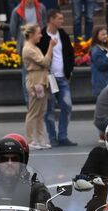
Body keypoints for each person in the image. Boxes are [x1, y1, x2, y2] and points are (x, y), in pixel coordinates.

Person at [37, 9, 78, 147]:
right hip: (50, 78)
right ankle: (52, 137)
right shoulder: (42, 35)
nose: (62, 21)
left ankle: (63, 136)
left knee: (67, 105)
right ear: (51, 20)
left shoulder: (63, 35)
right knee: (49, 109)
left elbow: (70, 54)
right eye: (59, 18)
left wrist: (69, 72)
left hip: (62, 78)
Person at [22, 23, 56, 150]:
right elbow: (45, 62)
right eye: (38, 33)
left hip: (41, 80)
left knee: (41, 112)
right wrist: (51, 47)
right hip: (35, 81)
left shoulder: (34, 47)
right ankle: (30, 140)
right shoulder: (29, 49)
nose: (41, 35)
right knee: (33, 112)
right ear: (31, 35)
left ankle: (40, 139)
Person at [9, 0, 47, 105]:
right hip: (25, 44)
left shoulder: (41, 8)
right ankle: (28, 100)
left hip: (40, 43)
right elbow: (13, 28)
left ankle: (44, 97)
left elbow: (44, 24)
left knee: (42, 71)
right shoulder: (17, 11)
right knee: (26, 73)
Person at [90, 26, 108, 96]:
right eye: (102, 34)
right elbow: (102, 65)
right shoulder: (96, 51)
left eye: (106, 34)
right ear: (96, 36)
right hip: (103, 85)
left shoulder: (106, 48)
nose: (105, 36)